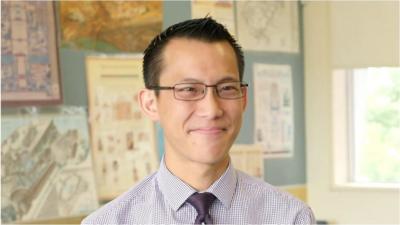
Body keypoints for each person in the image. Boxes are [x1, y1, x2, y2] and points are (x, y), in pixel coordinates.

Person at [82, 17, 315, 224]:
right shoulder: (108, 222)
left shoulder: (290, 217)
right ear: (150, 103)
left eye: (226, 88)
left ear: (243, 99)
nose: (212, 109)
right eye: (189, 89)